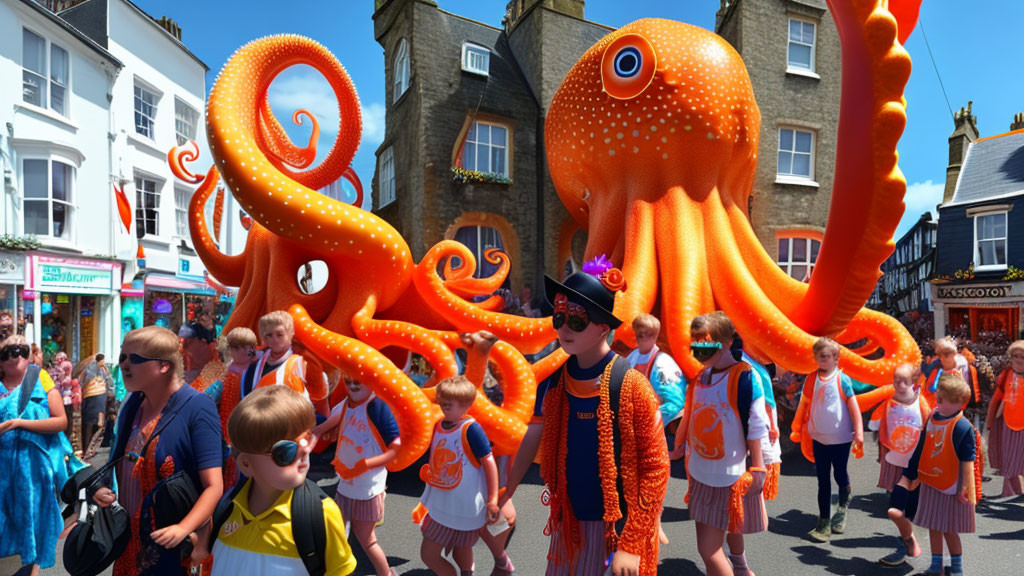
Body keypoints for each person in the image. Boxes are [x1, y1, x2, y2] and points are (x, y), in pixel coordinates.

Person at [503, 258, 669, 576]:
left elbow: (656, 468)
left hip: (617, 532)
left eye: (576, 321)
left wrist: (632, 545)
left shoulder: (632, 386)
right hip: (569, 526)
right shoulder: (556, 381)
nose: (564, 328)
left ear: (603, 328)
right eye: (560, 317)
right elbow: (534, 434)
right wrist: (506, 491)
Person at [92, 326, 223, 575]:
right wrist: (103, 489)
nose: (125, 365)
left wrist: (183, 529)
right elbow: (120, 461)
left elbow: (213, 486)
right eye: (123, 357)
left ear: (165, 366)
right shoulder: (133, 403)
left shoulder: (198, 407)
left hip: (174, 546)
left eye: (136, 359)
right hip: (129, 543)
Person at [201, 385, 356, 576]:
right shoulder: (227, 509)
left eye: (306, 438)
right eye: (285, 450)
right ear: (246, 464)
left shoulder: (320, 514)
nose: (303, 451)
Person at [668, 313, 768, 576]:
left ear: (726, 342)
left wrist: (758, 466)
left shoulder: (745, 377)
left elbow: (757, 425)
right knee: (725, 532)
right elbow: (691, 416)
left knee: (709, 551)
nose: (699, 352)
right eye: (695, 346)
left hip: (728, 477)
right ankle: (742, 568)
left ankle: (739, 567)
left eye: (705, 345)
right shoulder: (701, 377)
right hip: (700, 474)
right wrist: (679, 447)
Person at [0, 335, 80, 576]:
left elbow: (59, 421)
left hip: (33, 475)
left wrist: (20, 424)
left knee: (32, 531)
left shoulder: (40, 378)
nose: (16, 356)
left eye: (21, 350)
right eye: (8, 351)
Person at [313, 375, 401, 576]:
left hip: (368, 488)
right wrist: (313, 435)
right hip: (346, 484)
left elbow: (396, 449)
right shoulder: (346, 404)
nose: (352, 386)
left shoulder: (377, 407)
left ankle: (385, 573)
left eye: (357, 382)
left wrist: (366, 465)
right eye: (348, 381)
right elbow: (328, 426)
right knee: (335, 533)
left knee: (366, 539)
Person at [416, 375, 500, 576]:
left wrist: (493, 499)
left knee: (447, 551)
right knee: (445, 551)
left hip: (465, 505)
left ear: (466, 405)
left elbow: (489, 462)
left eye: (449, 404)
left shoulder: (471, 429)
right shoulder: (438, 425)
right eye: (442, 402)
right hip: (443, 502)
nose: (444, 407)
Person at [898, 372, 980, 576]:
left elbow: (968, 459)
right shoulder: (933, 418)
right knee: (933, 525)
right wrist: (914, 472)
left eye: (942, 400)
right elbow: (921, 447)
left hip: (951, 484)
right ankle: (937, 566)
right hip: (931, 480)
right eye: (938, 399)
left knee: (949, 529)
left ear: (959, 402)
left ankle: (957, 567)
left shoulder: (962, 426)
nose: (938, 402)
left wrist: (965, 486)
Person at [789, 337, 864, 542]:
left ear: (836, 358)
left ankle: (842, 508)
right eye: (818, 356)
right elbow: (804, 405)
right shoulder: (811, 379)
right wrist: (796, 426)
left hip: (840, 439)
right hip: (819, 438)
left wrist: (858, 432)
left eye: (825, 356)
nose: (820, 360)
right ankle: (824, 521)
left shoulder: (842, 379)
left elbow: (853, 407)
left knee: (840, 474)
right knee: (823, 480)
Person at [857, 363, 930, 565]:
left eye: (903, 381)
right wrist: (883, 453)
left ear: (913, 382)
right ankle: (907, 539)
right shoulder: (890, 402)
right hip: (894, 460)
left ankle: (910, 539)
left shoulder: (921, 403)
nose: (898, 384)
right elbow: (883, 429)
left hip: (914, 463)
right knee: (897, 504)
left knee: (906, 506)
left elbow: (929, 430)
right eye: (896, 379)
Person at [242, 310, 329, 417]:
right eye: (269, 335)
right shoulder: (255, 361)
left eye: (279, 335)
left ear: (291, 333)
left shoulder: (305, 362)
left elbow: (321, 405)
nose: (275, 340)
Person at [201, 327, 258, 489]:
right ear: (231, 350)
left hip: (252, 427)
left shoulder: (258, 368)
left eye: (249, 347)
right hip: (229, 430)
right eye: (237, 347)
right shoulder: (228, 373)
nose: (244, 351)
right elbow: (210, 395)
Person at [626, 313, 685, 427]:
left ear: (655, 335)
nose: (643, 338)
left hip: (660, 429)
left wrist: (647, 424)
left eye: (648, 334)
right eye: (639, 334)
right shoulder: (632, 356)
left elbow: (674, 403)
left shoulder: (663, 363)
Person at [987, 339, 1024, 497]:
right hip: (1007, 422)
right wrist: (991, 420)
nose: (1018, 359)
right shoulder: (1007, 373)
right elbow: (998, 397)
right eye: (1015, 355)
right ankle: (1011, 490)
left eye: (1022, 356)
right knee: (1009, 457)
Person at [922, 337, 978, 409]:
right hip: (934, 408)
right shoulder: (935, 369)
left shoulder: (959, 369)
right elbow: (926, 391)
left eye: (947, 354)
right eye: (942, 355)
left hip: (953, 408)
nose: (943, 358)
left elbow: (964, 393)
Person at [80, 353, 113, 459]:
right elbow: (109, 386)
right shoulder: (102, 371)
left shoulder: (88, 370)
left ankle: (87, 450)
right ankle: (89, 450)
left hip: (90, 402)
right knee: (97, 425)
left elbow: (82, 384)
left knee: (89, 426)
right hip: (98, 403)